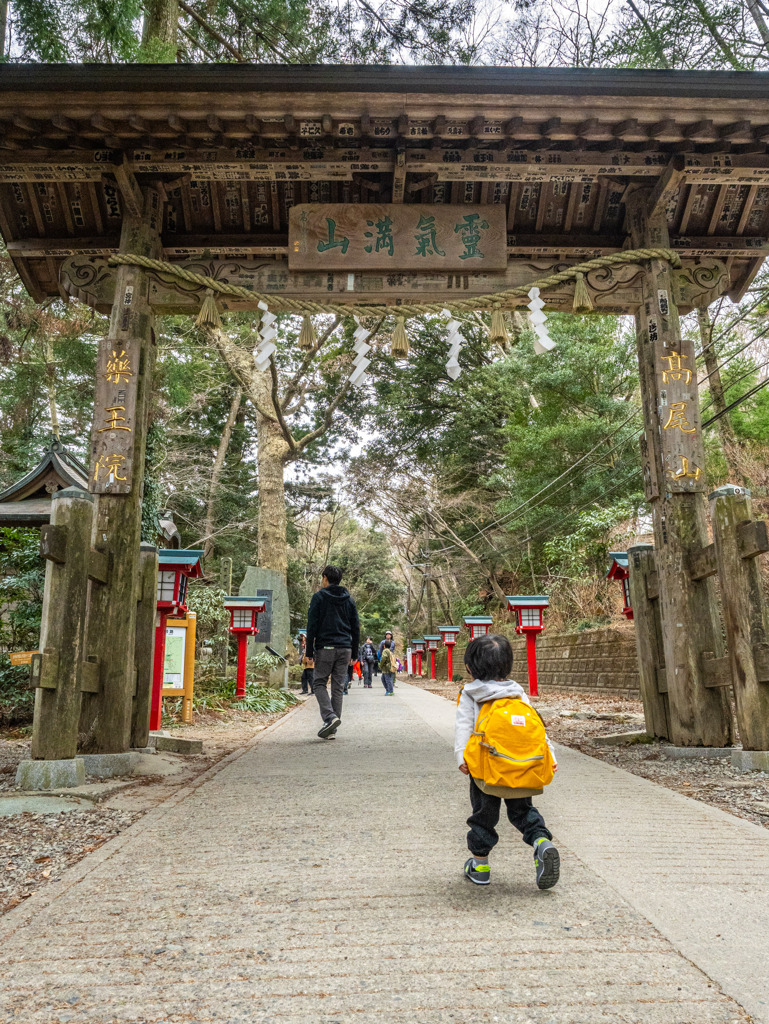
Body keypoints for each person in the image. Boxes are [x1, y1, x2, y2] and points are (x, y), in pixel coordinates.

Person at [455, 633, 560, 890]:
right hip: (522, 764)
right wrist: (550, 755)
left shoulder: (470, 693)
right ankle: (540, 842)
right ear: (508, 665)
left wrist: (461, 756)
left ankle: (480, 867)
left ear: (470, 667)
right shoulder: (517, 692)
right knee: (523, 811)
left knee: (484, 816)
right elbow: (536, 728)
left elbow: (464, 728)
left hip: (485, 770)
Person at [305, 564, 360, 739]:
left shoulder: (319, 597)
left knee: (319, 683)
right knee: (338, 687)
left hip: (326, 647)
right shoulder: (349, 600)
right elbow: (355, 627)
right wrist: (355, 652)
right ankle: (332, 729)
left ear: (325, 578)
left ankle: (329, 717)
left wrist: (309, 651)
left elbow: (312, 625)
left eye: (322, 578)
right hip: (345, 648)